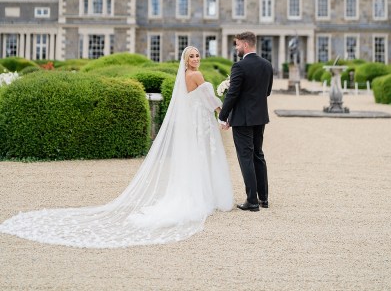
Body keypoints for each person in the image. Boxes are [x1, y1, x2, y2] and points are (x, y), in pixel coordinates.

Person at [0, 47, 233, 247]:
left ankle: (196, 193)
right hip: (197, 124)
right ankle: (200, 197)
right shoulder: (197, 75)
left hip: (191, 123)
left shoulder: (182, 76)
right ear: (186, 60)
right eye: (192, 56)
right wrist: (222, 109)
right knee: (199, 158)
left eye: (198, 55)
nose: (196, 59)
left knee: (191, 159)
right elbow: (209, 101)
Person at [219, 31, 273, 212]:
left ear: (245, 45)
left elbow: (233, 94)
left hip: (243, 119)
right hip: (260, 117)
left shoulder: (239, 67)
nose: (236, 48)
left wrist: (222, 116)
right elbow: (267, 92)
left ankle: (252, 201)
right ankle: (264, 198)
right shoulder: (267, 65)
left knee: (245, 158)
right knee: (258, 154)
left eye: (237, 44)